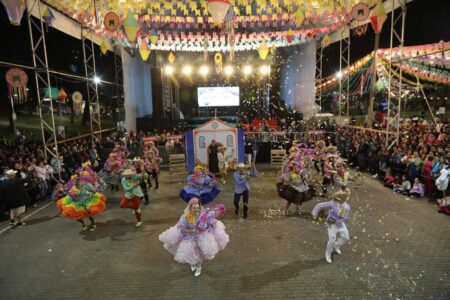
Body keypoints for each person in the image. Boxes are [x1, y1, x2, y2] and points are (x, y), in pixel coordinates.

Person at [159, 198, 203, 276]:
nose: (196, 209)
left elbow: (207, 222)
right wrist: (191, 231)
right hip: (189, 238)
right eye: (194, 208)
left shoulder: (202, 214)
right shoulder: (186, 216)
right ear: (190, 208)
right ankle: (192, 263)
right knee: (191, 253)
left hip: (200, 237)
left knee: (199, 253)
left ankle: (199, 267)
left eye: (197, 207)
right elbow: (181, 228)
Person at [312, 186, 351, 264]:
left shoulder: (347, 207)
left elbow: (345, 217)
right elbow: (320, 205)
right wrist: (315, 214)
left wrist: (338, 221)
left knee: (346, 237)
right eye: (344, 197)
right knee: (331, 240)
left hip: (340, 224)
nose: (345, 198)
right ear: (340, 197)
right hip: (331, 225)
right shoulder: (332, 203)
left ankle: (337, 245)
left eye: (346, 197)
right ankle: (328, 254)